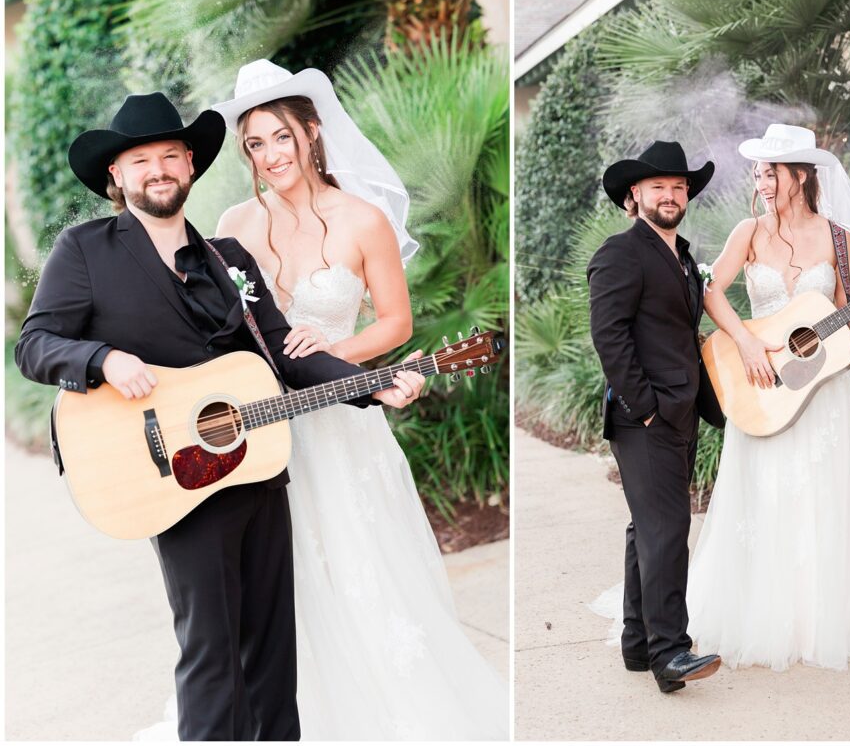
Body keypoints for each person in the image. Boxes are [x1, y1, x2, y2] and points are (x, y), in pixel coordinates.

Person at [15, 92, 425, 740]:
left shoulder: (229, 258)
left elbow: (290, 355)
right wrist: (102, 360)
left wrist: (373, 386)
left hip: (257, 469)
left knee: (271, 654)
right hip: (172, 478)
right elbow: (34, 345)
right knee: (211, 653)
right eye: (140, 159)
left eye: (170, 156)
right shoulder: (86, 250)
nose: (158, 169)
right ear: (115, 177)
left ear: (190, 166)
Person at [207, 60, 508, 739]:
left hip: (341, 430)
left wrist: (339, 356)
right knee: (279, 581)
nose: (271, 155)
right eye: (255, 143)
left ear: (312, 133)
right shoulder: (231, 222)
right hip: (262, 435)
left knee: (359, 568)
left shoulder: (362, 218)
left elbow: (396, 323)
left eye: (281, 137)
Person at [687, 123, 850, 671]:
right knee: (765, 498)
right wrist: (745, 342)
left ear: (800, 175)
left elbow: (845, 310)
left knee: (822, 499)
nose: (761, 181)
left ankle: (820, 619)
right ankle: (762, 616)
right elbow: (708, 290)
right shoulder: (748, 232)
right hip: (763, 383)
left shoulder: (838, 237)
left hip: (824, 392)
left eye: (771, 172)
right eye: (759, 172)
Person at [587, 141, 725, 694]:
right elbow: (609, 336)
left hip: (682, 410)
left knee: (648, 527)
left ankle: (638, 643)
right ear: (633, 197)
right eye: (658, 187)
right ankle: (671, 653)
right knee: (668, 530)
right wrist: (645, 409)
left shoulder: (682, 256)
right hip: (646, 417)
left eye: (679, 187)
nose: (671, 195)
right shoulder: (622, 253)